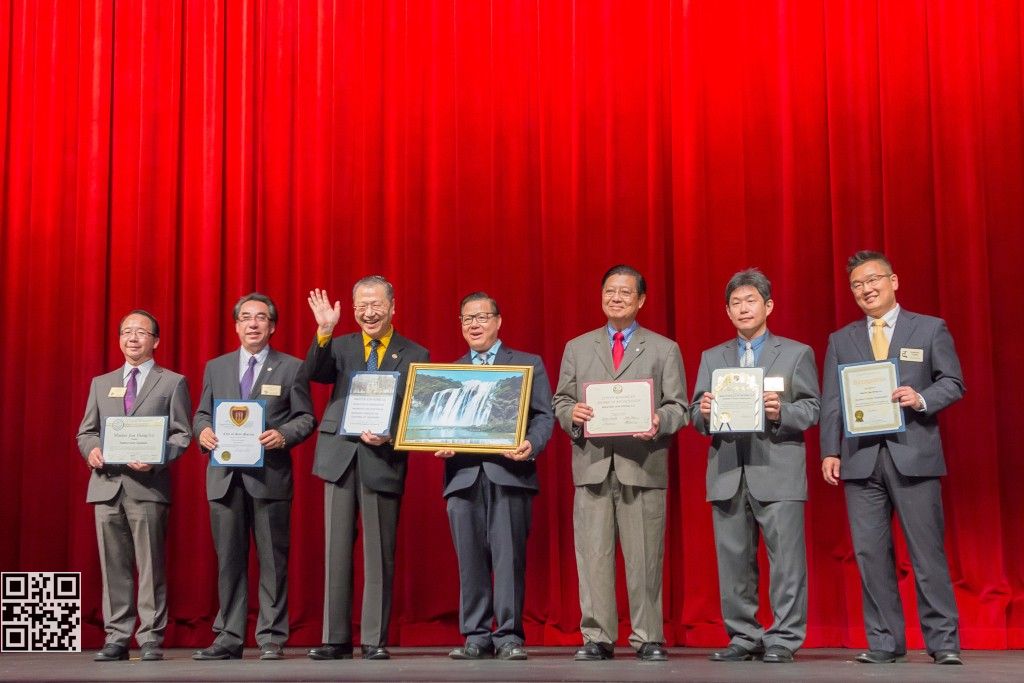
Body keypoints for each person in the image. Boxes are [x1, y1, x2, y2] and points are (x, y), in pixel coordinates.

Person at [820, 251, 965, 665]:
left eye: (873, 280)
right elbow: (833, 401)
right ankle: (885, 641)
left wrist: (920, 398)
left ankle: (943, 642)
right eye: (857, 285)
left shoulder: (930, 328)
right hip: (860, 460)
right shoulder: (841, 339)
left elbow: (953, 382)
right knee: (870, 555)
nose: (866, 289)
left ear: (893, 281)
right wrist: (830, 450)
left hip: (914, 454)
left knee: (927, 553)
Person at [552, 265, 688, 662]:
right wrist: (572, 414)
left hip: (642, 466)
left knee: (645, 558)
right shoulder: (578, 347)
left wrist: (660, 420)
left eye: (625, 292)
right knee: (593, 556)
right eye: (610, 291)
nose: (616, 298)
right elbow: (561, 400)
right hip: (592, 465)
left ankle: (648, 636)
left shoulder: (664, 349)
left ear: (641, 300)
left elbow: (679, 406)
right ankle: (597, 637)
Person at [690, 269, 819, 664]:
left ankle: (784, 637)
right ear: (727, 312)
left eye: (751, 301)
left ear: (769, 306)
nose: (743, 308)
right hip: (728, 472)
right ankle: (744, 636)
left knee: (787, 563)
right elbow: (694, 414)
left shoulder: (796, 353)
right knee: (733, 563)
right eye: (736, 303)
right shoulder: (712, 357)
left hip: (778, 471)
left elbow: (813, 408)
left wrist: (782, 412)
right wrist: (704, 412)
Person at [305, 276, 429, 661]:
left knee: (379, 552)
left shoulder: (415, 353)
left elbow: (418, 410)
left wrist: (391, 435)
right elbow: (315, 372)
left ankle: (374, 638)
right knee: (336, 550)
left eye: (376, 305)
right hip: (339, 455)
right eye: (361, 306)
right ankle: (335, 638)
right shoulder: (340, 346)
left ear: (393, 307)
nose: (368, 313)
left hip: (383, 457)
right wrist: (324, 331)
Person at [192, 293, 316, 661]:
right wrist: (203, 432)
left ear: (272, 326)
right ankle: (229, 636)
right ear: (236, 326)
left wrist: (284, 435)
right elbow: (201, 414)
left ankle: (271, 637)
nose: (253, 323)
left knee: (273, 561)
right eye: (246, 317)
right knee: (229, 561)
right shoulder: (216, 367)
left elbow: (306, 417)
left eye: (261, 317)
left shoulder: (291, 367)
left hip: (270, 478)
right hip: (225, 478)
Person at [434, 292, 554, 661]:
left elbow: (544, 416)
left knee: (509, 560)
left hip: (510, 473)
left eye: (482, 317)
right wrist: (438, 440)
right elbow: (436, 422)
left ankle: (508, 637)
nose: (475, 324)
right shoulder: (449, 372)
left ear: (498, 321)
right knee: (469, 561)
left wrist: (531, 445)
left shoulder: (527, 364)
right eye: (467, 318)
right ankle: (476, 636)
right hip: (463, 477)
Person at [77, 310, 192, 662]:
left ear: (155, 341)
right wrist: (91, 449)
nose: (132, 338)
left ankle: (151, 637)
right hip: (106, 486)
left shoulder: (172, 382)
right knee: (113, 566)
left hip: (148, 487)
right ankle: (117, 636)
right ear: (119, 339)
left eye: (141, 332)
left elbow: (182, 434)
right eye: (126, 332)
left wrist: (157, 457)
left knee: (151, 565)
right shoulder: (101, 382)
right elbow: (86, 431)